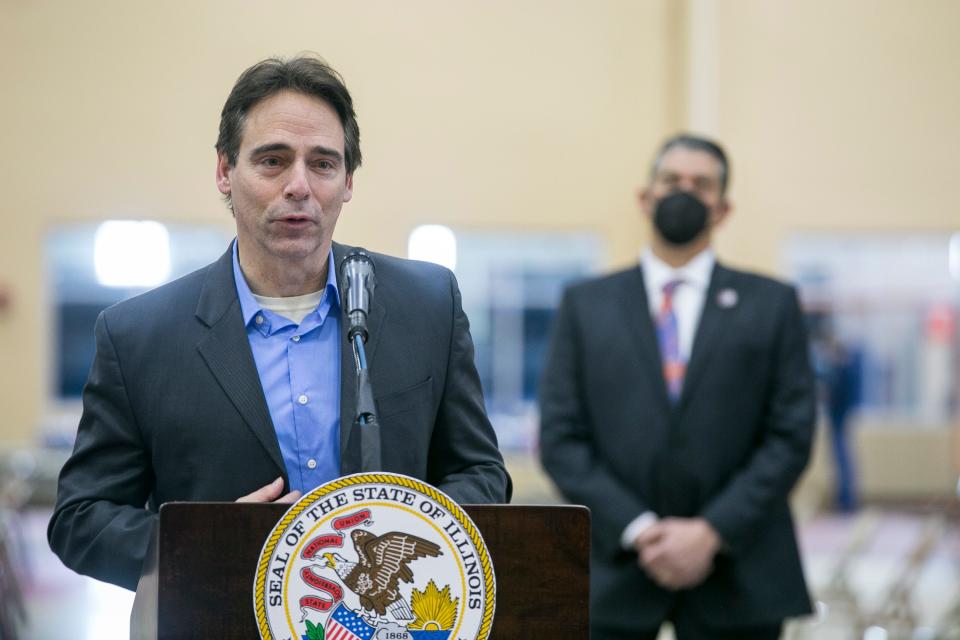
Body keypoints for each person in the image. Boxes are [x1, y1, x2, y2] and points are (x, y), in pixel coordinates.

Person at [48, 55, 511, 591]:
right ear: (224, 170)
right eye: (272, 160)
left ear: (348, 181)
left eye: (322, 163)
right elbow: (81, 518)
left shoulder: (427, 305)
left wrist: (406, 527)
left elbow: (482, 474)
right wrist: (206, 545)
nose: (299, 186)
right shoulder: (138, 336)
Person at [539, 134, 815, 640]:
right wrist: (642, 530)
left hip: (740, 572)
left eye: (701, 184)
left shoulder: (772, 305)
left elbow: (791, 435)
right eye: (672, 181)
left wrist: (711, 532)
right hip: (612, 569)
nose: (684, 193)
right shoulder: (585, 305)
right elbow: (560, 437)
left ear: (724, 208)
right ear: (645, 197)